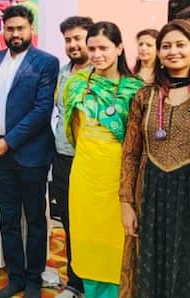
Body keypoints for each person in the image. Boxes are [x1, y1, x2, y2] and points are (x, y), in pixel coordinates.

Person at [0, 5, 59, 298]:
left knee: (36, 220)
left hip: (30, 155)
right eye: (10, 29)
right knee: (8, 220)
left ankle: (33, 280)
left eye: (20, 28)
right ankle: (15, 277)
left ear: (31, 29)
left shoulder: (46, 63)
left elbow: (41, 110)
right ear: (3, 31)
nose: (15, 34)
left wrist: (8, 141)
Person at [63, 22, 143, 298]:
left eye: (104, 48)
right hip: (85, 178)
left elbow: (139, 143)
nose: (97, 55)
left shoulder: (136, 90)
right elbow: (74, 133)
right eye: (92, 48)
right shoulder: (76, 85)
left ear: (119, 48)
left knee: (120, 244)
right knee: (88, 245)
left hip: (120, 181)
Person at [119, 20, 190, 298]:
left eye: (181, 45)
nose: (173, 51)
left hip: (185, 197)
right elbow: (130, 153)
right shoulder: (145, 96)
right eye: (166, 46)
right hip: (150, 196)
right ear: (159, 53)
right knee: (149, 268)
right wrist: (126, 203)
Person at [52, 16, 94, 298]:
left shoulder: (100, 74)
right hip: (63, 159)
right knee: (69, 223)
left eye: (78, 38)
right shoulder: (63, 72)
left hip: (91, 162)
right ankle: (75, 282)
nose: (73, 44)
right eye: (68, 40)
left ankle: (94, 282)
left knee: (92, 224)